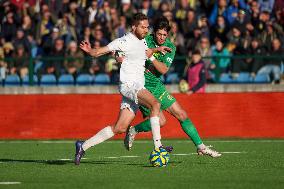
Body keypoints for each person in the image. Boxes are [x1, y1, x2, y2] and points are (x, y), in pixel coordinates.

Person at [123, 16, 221, 158]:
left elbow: (163, 70)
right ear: (154, 32)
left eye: (164, 35)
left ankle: (201, 147)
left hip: (157, 85)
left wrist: (150, 56)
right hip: (142, 87)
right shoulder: (144, 40)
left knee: (181, 114)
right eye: (159, 34)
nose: (162, 37)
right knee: (161, 121)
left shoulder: (170, 47)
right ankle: (133, 130)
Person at [75, 13, 165, 165]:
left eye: (147, 27)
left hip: (136, 86)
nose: (146, 30)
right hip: (129, 85)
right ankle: (158, 147)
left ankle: (82, 146)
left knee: (120, 128)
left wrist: (157, 50)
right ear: (134, 27)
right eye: (143, 27)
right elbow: (98, 52)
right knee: (155, 104)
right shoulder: (123, 41)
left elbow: (143, 53)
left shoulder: (142, 41)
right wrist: (90, 50)